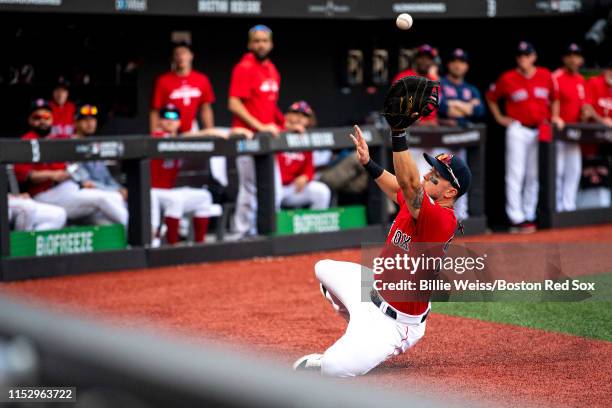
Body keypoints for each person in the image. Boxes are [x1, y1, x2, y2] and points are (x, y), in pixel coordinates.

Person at [293, 122, 471, 377]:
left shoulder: (441, 220)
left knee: (331, 368)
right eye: (431, 170)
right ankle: (358, 327)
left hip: (393, 322)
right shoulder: (419, 206)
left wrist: (398, 134)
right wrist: (368, 163)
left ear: (450, 192)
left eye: (435, 177)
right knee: (323, 269)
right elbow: (398, 188)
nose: (426, 176)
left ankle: (371, 343)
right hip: (372, 291)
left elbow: (409, 186)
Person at [14, 99, 128, 228]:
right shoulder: (26, 141)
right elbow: (24, 175)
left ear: (52, 119)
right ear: (30, 120)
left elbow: (70, 166)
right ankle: (141, 233)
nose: (42, 121)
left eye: (46, 117)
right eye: (37, 117)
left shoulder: (55, 140)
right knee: (105, 199)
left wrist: (76, 177)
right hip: (46, 193)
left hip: (68, 189)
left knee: (110, 210)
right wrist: (52, 175)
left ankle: (133, 241)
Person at [486, 41, 554, 233]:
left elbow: (554, 99)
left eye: (527, 55)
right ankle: (516, 217)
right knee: (516, 173)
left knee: (533, 174)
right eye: (520, 56)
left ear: (534, 57)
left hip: (539, 129)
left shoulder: (545, 75)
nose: (523, 59)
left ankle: (529, 214)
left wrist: (552, 117)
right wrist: (499, 117)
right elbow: (491, 96)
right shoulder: (508, 77)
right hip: (518, 128)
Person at [228, 24, 284, 238]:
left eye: (265, 40)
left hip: (267, 139)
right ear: (250, 44)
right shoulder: (244, 67)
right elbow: (234, 104)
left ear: (271, 44)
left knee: (275, 191)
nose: (261, 44)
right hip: (247, 136)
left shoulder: (272, 69)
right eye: (257, 40)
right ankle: (239, 234)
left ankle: (265, 232)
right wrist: (260, 126)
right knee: (250, 189)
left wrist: (286, 124)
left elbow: (270, 105)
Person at [150, 104, 222, 246]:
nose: (170, 121)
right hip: (153, 191)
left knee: (204, 197)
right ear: (159, 121)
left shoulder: (179, 137)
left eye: (175, 118)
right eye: (165, 118)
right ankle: (173, 245)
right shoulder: (156, 136)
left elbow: (182, 138)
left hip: (169, 190)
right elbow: (179, 139)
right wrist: (208, 131)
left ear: (180, 122)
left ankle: (199, 244)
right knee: (175, 200)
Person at [437, 48, 485, 220]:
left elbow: (479, 110)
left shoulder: (470, 89)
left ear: (466, 66)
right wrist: (466, 107)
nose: (458, 65)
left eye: (462, 62)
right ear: (449, 64)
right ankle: (440, 219)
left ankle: (460, 218)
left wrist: (455, 106)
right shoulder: (440, 83)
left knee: (460, 180)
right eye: (455, 61)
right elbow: (441, 107)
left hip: (461, 141)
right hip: (440, 140)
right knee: (440, 181)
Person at [551, 43, 587, 212]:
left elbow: (582, 106)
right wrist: (555, 117)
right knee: (557, 171)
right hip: (559, 132)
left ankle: (569, 206)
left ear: (580, 59)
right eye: (570, 55)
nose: (573, 59)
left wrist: (585, 114)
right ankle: (557, 207)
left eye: (576, 55)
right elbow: (552, 101)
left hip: (575, 133)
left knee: (574, 170)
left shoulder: (581, 80)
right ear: (564, 58)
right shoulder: (556, 77)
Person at [276, 101, 331, 210]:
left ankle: (316, 226)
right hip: (274, 187)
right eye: (296, 113)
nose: (300, 118)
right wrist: (287, 130)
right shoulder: (276, 130)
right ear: (287, 115)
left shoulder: (306, 138)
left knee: (321, 191)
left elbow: (309, 169)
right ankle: (272, 227)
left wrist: (305, 177)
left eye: (305, 115)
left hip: (292, 188)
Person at [150, 42, 216, 133]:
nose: (181, 57)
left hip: (191, 128)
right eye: (177, 54)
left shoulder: (202, 79)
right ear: (172, 58)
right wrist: (154, 135)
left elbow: (205, 108)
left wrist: (210, 132)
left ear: (191, 55)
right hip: (168, 129)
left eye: (184, 53)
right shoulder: (162, 80)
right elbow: (155, 110)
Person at [70, 104, 128, 200]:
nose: (90, 123)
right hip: (86, 195)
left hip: (106, 193)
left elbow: (107, 177)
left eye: (93, 119)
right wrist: (115, 191)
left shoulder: (95, 144)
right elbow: (86, 183)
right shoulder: (70, 146)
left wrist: (120, 189)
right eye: (85, 120)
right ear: (76, 123)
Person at [584, 60, 612, 126]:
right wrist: (601, 120)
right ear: (605, 71)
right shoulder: (593, 82)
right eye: (611, 70)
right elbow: (587, 106)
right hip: (593, 127)